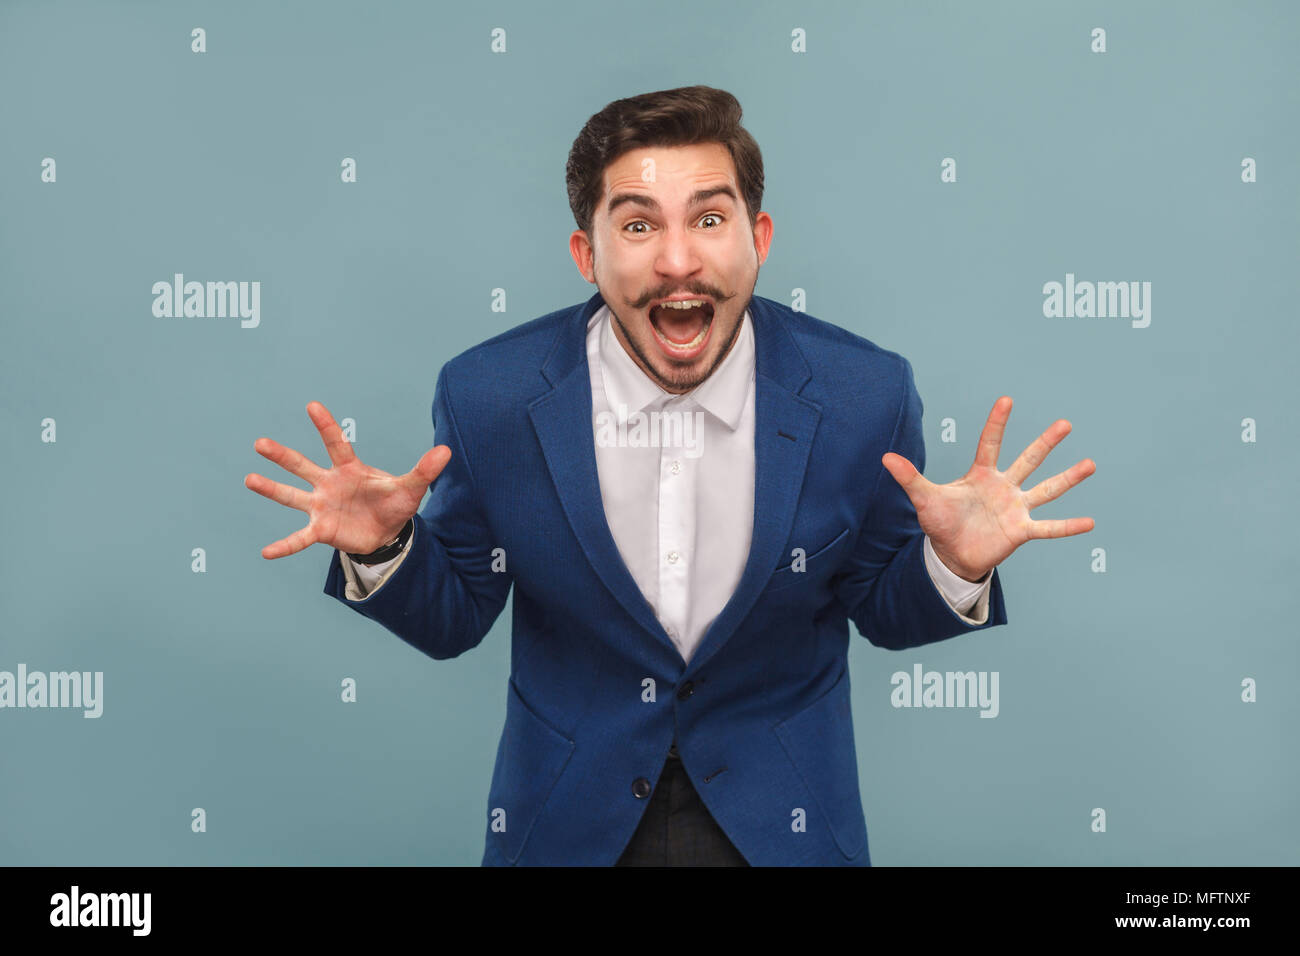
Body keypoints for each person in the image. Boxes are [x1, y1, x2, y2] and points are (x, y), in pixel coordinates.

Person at [244, 86, 1096, 866]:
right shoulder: (489, 395)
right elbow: (456, 615)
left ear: (758, 240)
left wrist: (956, 566)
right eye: (640, 225)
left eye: (711, 220)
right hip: (569, 827)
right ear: (588, 252)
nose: (679, 262)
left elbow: (883, 610)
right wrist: (388, 549)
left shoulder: (862, 393)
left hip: (784, 829)